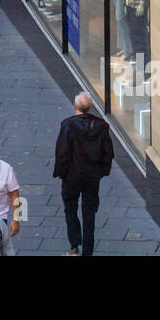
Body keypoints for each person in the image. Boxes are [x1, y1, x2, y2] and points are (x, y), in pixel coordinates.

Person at [54, 91, 115, 256]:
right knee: (89, 214)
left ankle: (74, 245)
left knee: (70, 209)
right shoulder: (101, 126)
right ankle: (88, 251)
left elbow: (62, 152)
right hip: (92, 177)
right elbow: (108, 152)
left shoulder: (67, 125)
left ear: (75, 107)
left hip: (72, 176)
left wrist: (61, 172)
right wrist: (102, 172)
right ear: (91, 108)